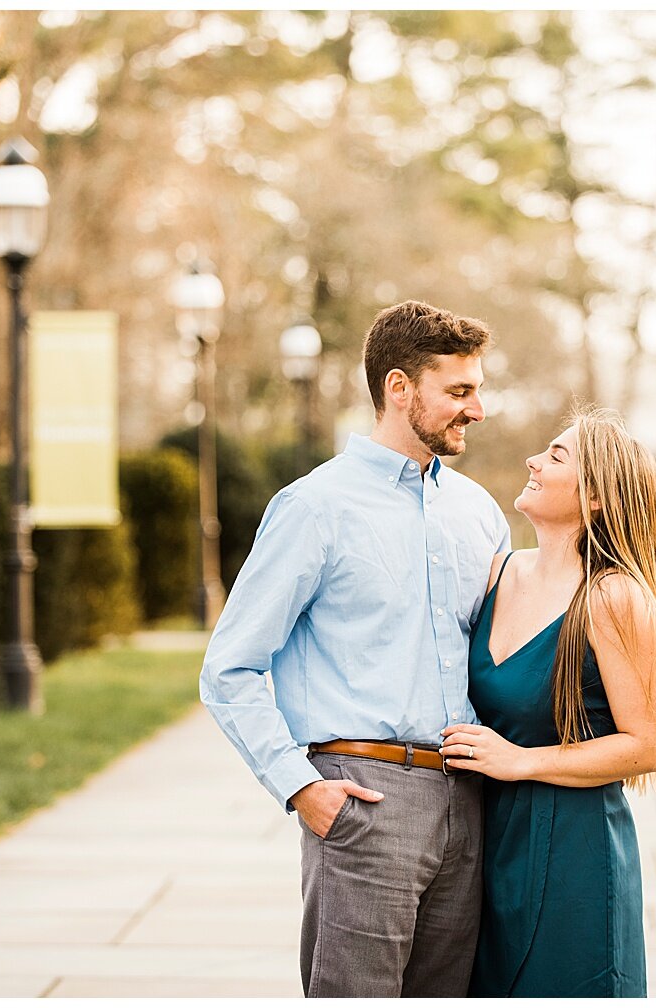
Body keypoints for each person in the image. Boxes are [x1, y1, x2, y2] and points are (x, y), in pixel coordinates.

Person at [199, 300, 511, 998]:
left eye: (477, 389)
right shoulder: (315, 508)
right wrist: (300, 787)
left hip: (470, 801)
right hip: (365, 803)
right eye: (459, 391)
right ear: (399, 389)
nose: (478, 409)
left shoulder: (479, 513)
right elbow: (231, 667)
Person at [439, 405, 656, 998]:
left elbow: (647, 746)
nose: (532, 461)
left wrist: (523, 761)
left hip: (574, 850)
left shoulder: (614, 597)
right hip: (485, 840)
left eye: (556, 456)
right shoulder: (499, 572)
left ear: (595, 497)